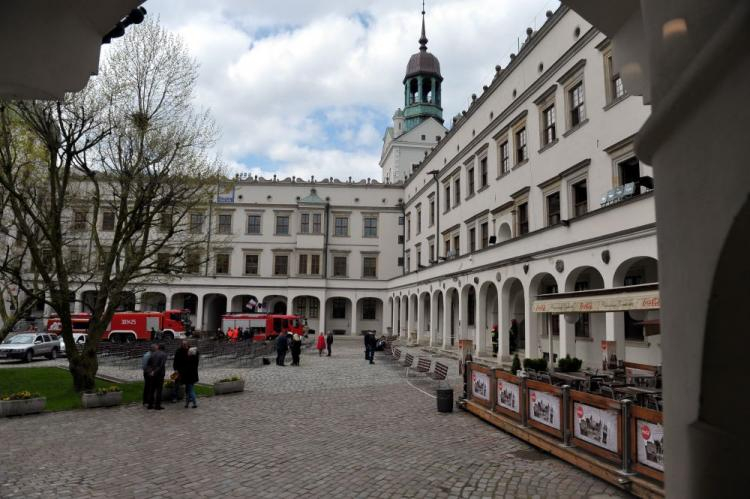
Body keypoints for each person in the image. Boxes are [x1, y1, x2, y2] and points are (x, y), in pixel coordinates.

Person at [146, 343, 168, 410]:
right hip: (159, 375)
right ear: (164, 349)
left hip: (152, 374)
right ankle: (157, 405)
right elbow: (161, 365)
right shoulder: (164, 354)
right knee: (159, 390)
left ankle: (150, 405)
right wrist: (154, 372)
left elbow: (148, 364)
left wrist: (150, 372)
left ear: (158, 348)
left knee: (152, 390)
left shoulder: (153, 353)